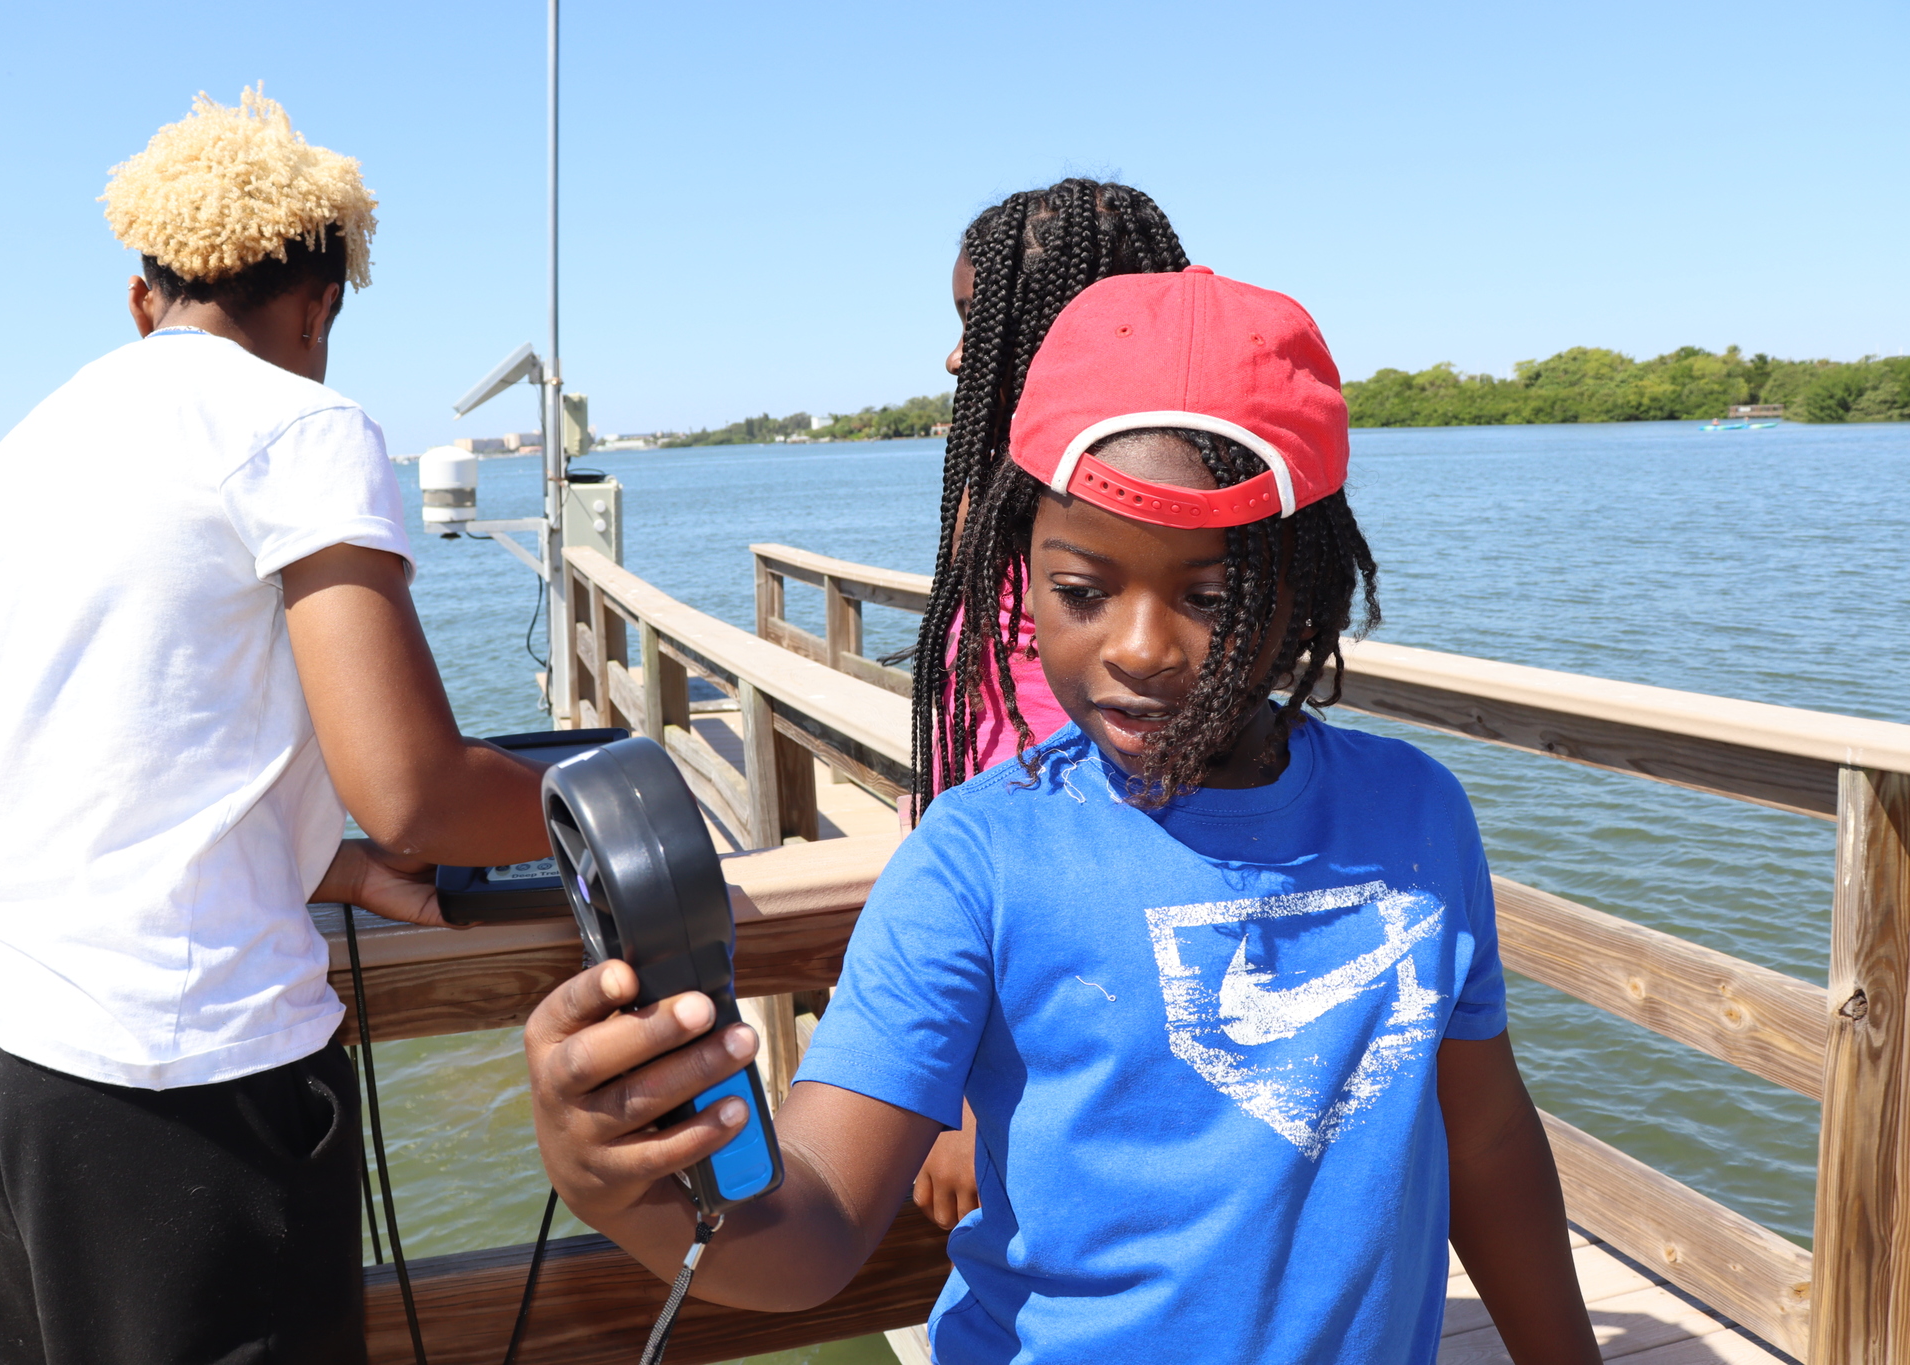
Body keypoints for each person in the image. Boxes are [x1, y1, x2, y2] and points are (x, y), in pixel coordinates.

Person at [524, 268, 1602, 1363]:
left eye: (1210, 597)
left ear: (1310, 592)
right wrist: (618, 1181)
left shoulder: (1418, 815)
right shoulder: (975, 859)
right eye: (1081, 590)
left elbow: (1484, 1135)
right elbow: (811, 1231)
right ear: (1021, 579)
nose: (1135, 647)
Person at [0, 88, 549, 1365]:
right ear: (321, 304)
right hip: (182, 1082)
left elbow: (111, 756)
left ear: (142, 294)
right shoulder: (298, 424)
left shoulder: (21, 455)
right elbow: (418, 791)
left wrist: (330, 863)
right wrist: (603, 806)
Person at [911, 177, 1190, 1230]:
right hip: (1001, 964)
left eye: (979, 325)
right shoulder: (1001, 493)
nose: (954, 357)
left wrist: (959, 1096)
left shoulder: (1094, 530)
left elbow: (1063, 814)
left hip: (1062, 1010)